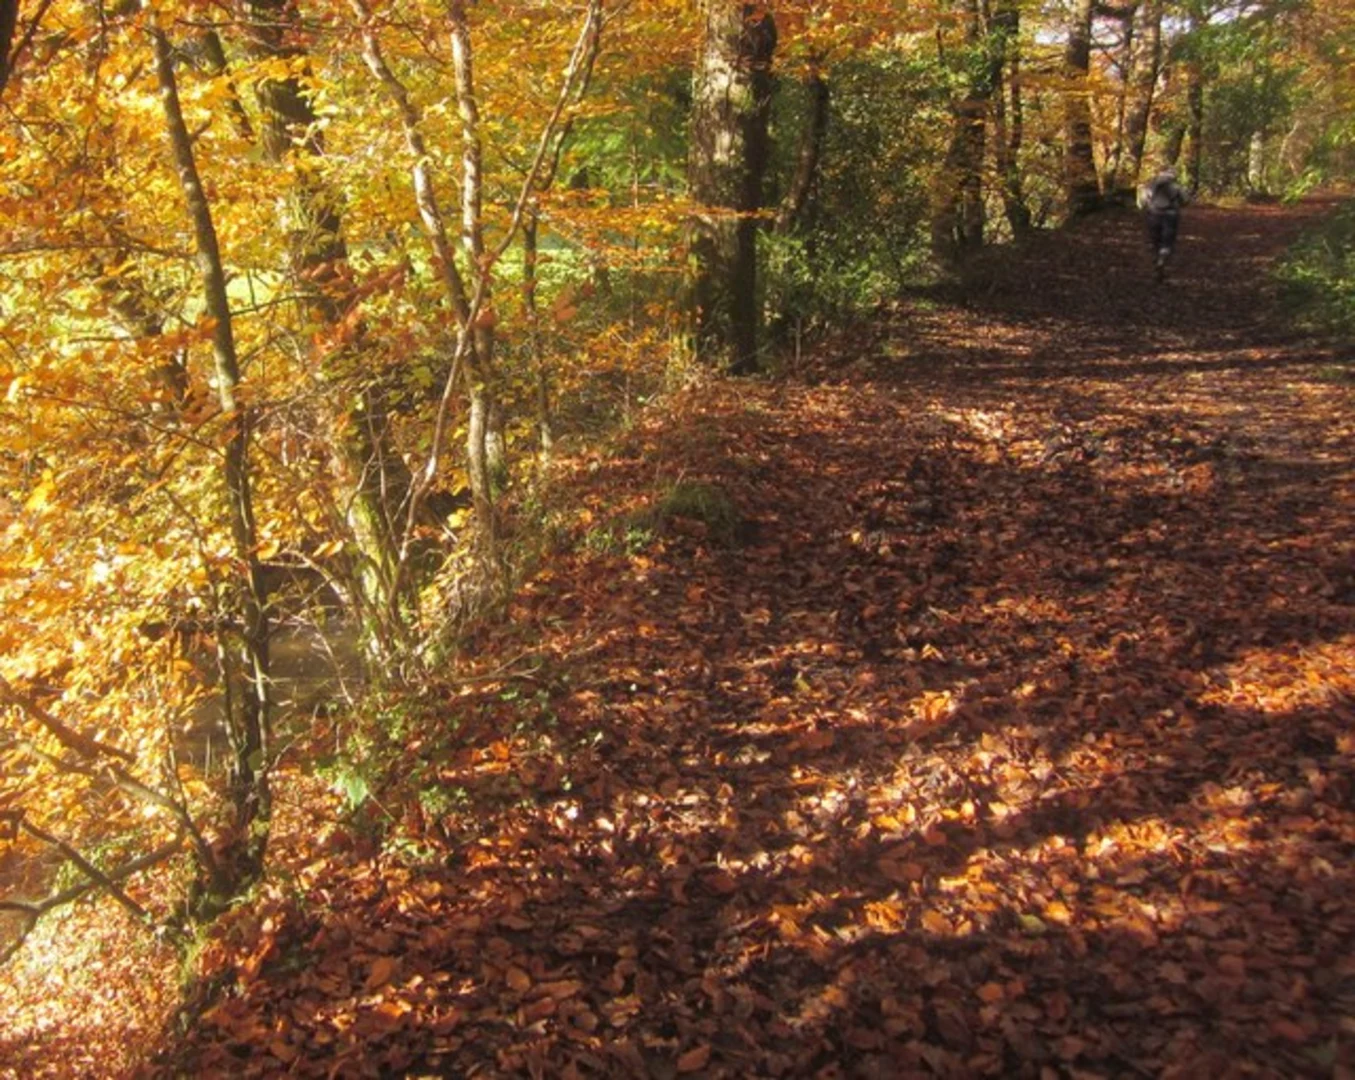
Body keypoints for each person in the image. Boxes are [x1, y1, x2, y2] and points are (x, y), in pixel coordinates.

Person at [1139, 166, 1187, 280]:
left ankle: (1156, 259)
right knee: (1167, 240)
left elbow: (1142, 203)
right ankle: (1162, 260)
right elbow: (1185, 200)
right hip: (1171, 215)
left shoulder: (1150, 185)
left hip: (1154, 214)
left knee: (1155, 239)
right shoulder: (1177, 186)